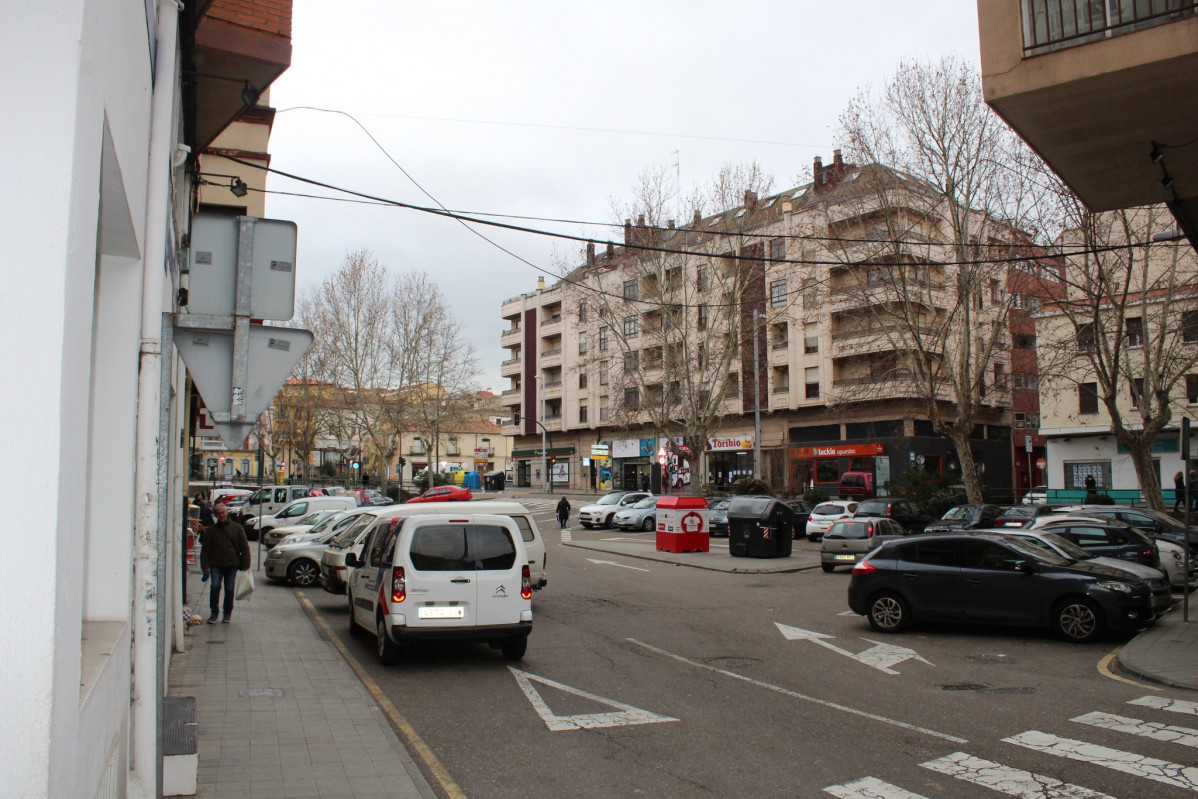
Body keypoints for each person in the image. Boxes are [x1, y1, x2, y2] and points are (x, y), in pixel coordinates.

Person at [200, 504, 251, 624]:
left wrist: (246, 563)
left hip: (231, 564)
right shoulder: (211, 530)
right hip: (215, 564)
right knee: (215, 586)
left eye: (222, 512)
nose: (221, 515)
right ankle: (214, 612)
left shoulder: (237, 528)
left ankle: (227, 613)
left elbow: (244, 547)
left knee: (229, 588)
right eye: (218, 513)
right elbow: (205, 549)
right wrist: (205, 566)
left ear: (226, 512)